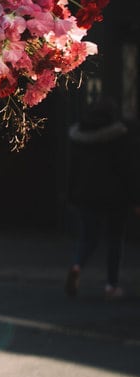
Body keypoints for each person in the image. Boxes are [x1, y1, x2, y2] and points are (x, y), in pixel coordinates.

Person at [64, 97, 137, 301]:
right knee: (115, 240)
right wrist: (134, 199)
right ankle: (111, 286)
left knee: (88, 237)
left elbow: (73, 170)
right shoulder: (118, 136)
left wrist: (71, 196)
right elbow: (127, 170)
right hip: (115, 197)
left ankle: (77, 265)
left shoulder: (78, 136)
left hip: (85, 195)